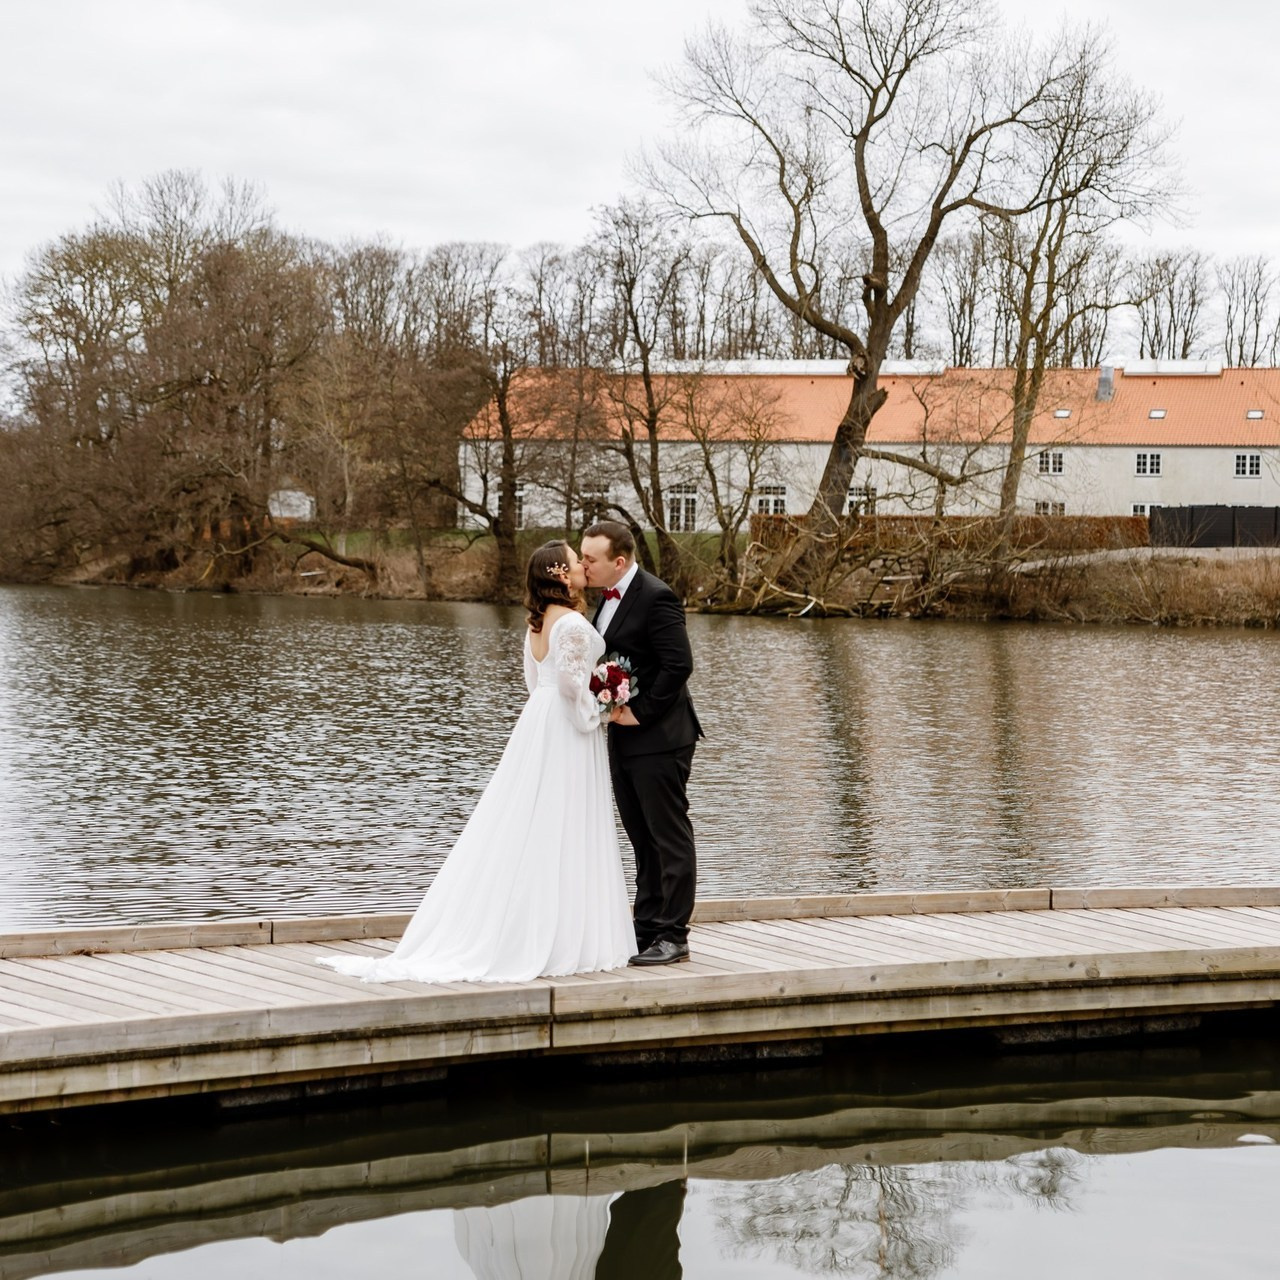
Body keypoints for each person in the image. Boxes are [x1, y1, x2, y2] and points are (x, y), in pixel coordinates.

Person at [318, 541, 635, 984]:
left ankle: (533, 924)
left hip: (538, 723)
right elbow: (569, 686)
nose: (583, 566)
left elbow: (536, 682)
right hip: (567, 727)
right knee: (563, 819)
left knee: (532, 818)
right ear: (561, 574)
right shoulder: (572, 623)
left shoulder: (538, 622)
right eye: (574, 560)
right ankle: (560, 934)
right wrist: (599, 713)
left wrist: (577, 703)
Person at [579, 521, 702, 967]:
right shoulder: (605, 599)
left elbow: (678, 664)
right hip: (624, 738)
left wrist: (640, 711)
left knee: (668, 836)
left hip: (661, 738)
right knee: (640, 837)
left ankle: (674, 934)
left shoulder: (656, 596)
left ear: (619, 561)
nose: (583, 565)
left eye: (590, 559)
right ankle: (647, 926)